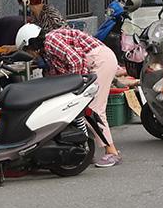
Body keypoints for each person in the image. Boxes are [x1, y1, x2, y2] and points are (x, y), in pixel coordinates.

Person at [16, 24, 122, 167]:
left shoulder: (51, 41)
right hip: (91, 64)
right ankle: (84, 150)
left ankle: (112, 152)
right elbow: (56, 74)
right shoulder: (46, 51)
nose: (30, 55)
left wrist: (77, 87)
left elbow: (75, 60)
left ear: (32, 43)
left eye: (27, 50)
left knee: (93, 108)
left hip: (100, 61)